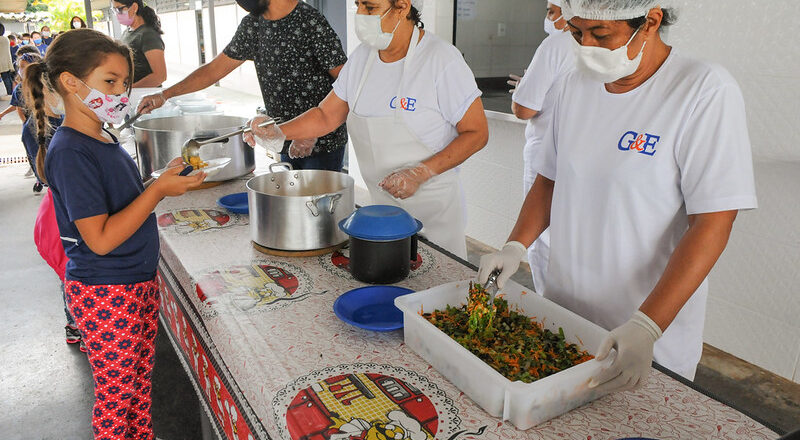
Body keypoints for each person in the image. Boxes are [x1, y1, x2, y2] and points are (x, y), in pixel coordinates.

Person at [478, 0, 757, 391]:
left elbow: (714, 220)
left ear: (651, 21)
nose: (586, 45)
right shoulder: (576, 83)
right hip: (566, 313)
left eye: (601, 34)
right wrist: (514, 246)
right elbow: (550, 179)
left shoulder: (702, 90)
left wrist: (648, 325)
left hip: (645, 332)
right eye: (577, 32)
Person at [24, 28, 206, 438]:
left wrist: (161, 177)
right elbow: (101, 239)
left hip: (133, 284)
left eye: (124, 83)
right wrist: (158, 190)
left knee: (138, 388)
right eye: (110, 82)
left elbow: (121, 202)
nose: (121, 94)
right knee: (117, 397)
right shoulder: (72, 151)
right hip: (107, 293)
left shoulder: (99, 136)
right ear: (71, 82)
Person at [249, 0, 489, 258]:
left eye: (371, 8)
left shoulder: (440, 59)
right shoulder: (363, 58)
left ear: (402, 6)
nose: (361, 15)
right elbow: (325, 115)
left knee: (436, 289)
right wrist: (279, 131)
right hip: (383, 216)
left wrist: (421, 172)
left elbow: (477, 133)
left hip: (434, 217)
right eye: (358, 6)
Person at [137, 0, 349, 171]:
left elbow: (347, 83)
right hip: (283, 136)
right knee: (295, 206)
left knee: (319, 212)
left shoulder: (311, 22)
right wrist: (165, 95)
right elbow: (213, 70)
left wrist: (312, 131)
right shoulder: (253, 24)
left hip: (323, 143)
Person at [506, 0, 575, 294]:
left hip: (545, 153)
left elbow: (524, 109)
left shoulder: (556, 44)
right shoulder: (608, 48)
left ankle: (552, 311)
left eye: (551, 11)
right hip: (581, 159)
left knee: (543, 242)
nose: (547, 19)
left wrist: (523, 90)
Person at [113, 0, 166, 87]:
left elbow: (160, 76)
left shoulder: (148, 35)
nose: (117, 14)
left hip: (144, 95)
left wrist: (130, 89)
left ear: (134, 7)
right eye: (114, 10)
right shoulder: (127, 32)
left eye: (119, 9)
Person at [0, 24, 14, 97]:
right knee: (8, 77)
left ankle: (9, 93)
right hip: (7, 61)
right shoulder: (5, 39)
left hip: (1, 62)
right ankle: (11, 92)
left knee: (5, 78)